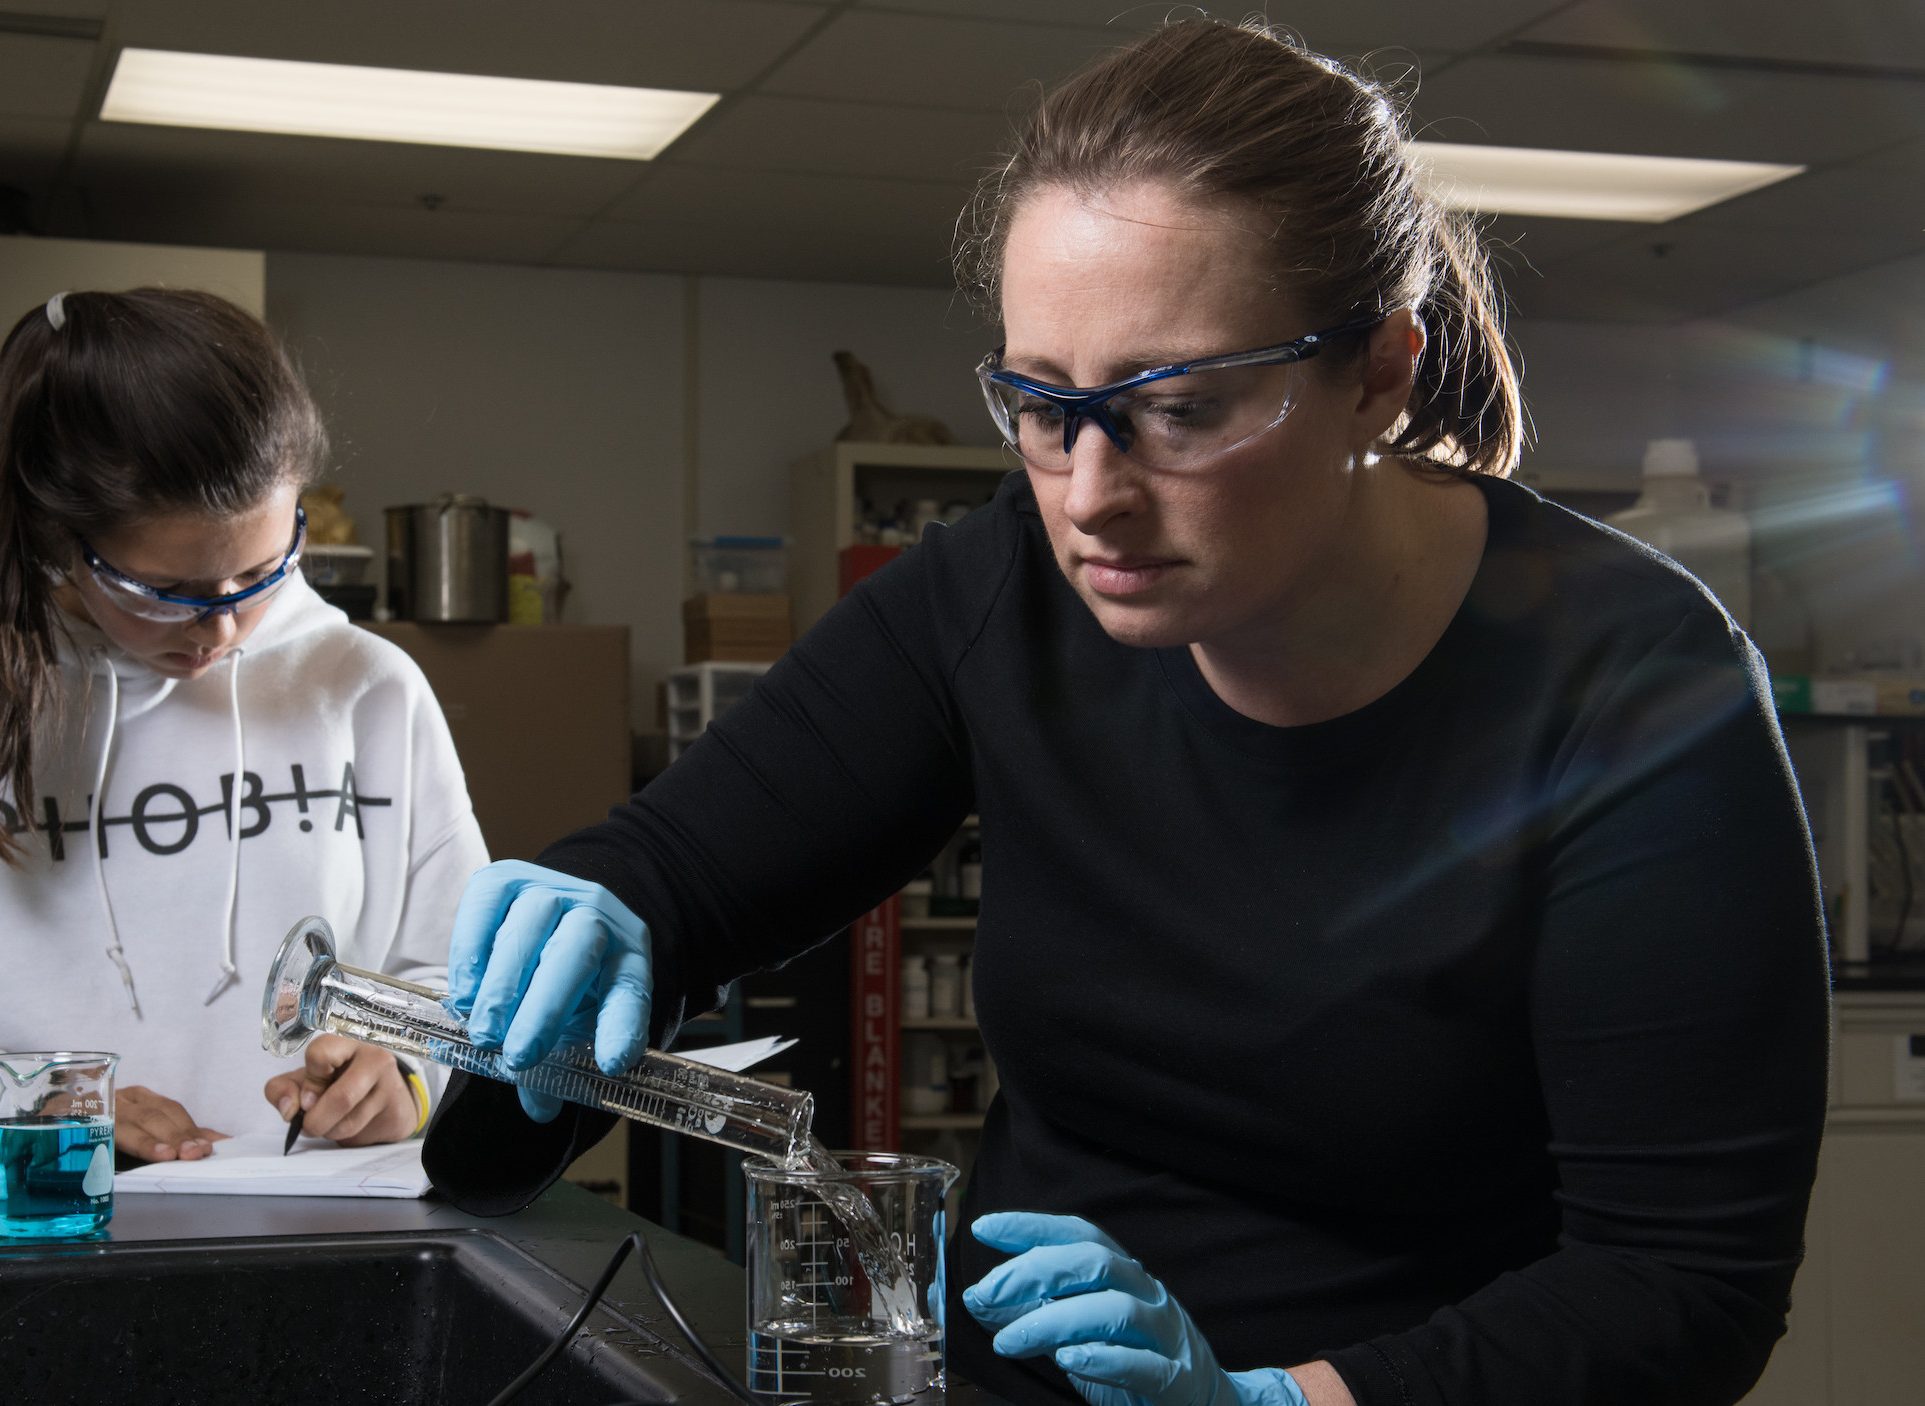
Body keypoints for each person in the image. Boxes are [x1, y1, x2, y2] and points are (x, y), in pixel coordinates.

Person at [428, 21, 1827, 1406]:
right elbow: (680, 873)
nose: (1090, 492)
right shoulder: (1008, 589)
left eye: (1180, 407)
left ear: (1381, 374)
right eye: (1043, 404)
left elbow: (1682, 1280)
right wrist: (581, 937)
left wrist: (1283, 1404)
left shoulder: (1636, 686)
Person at [0, 288, 485, 1164]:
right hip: (36, 1243)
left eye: (262, 572)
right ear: (59, 537)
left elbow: (457, 985)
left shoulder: (367, 690)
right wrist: (33, 1099)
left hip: (336, 1230)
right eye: (165, 592)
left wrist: (408, 1074)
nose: (219, 629)